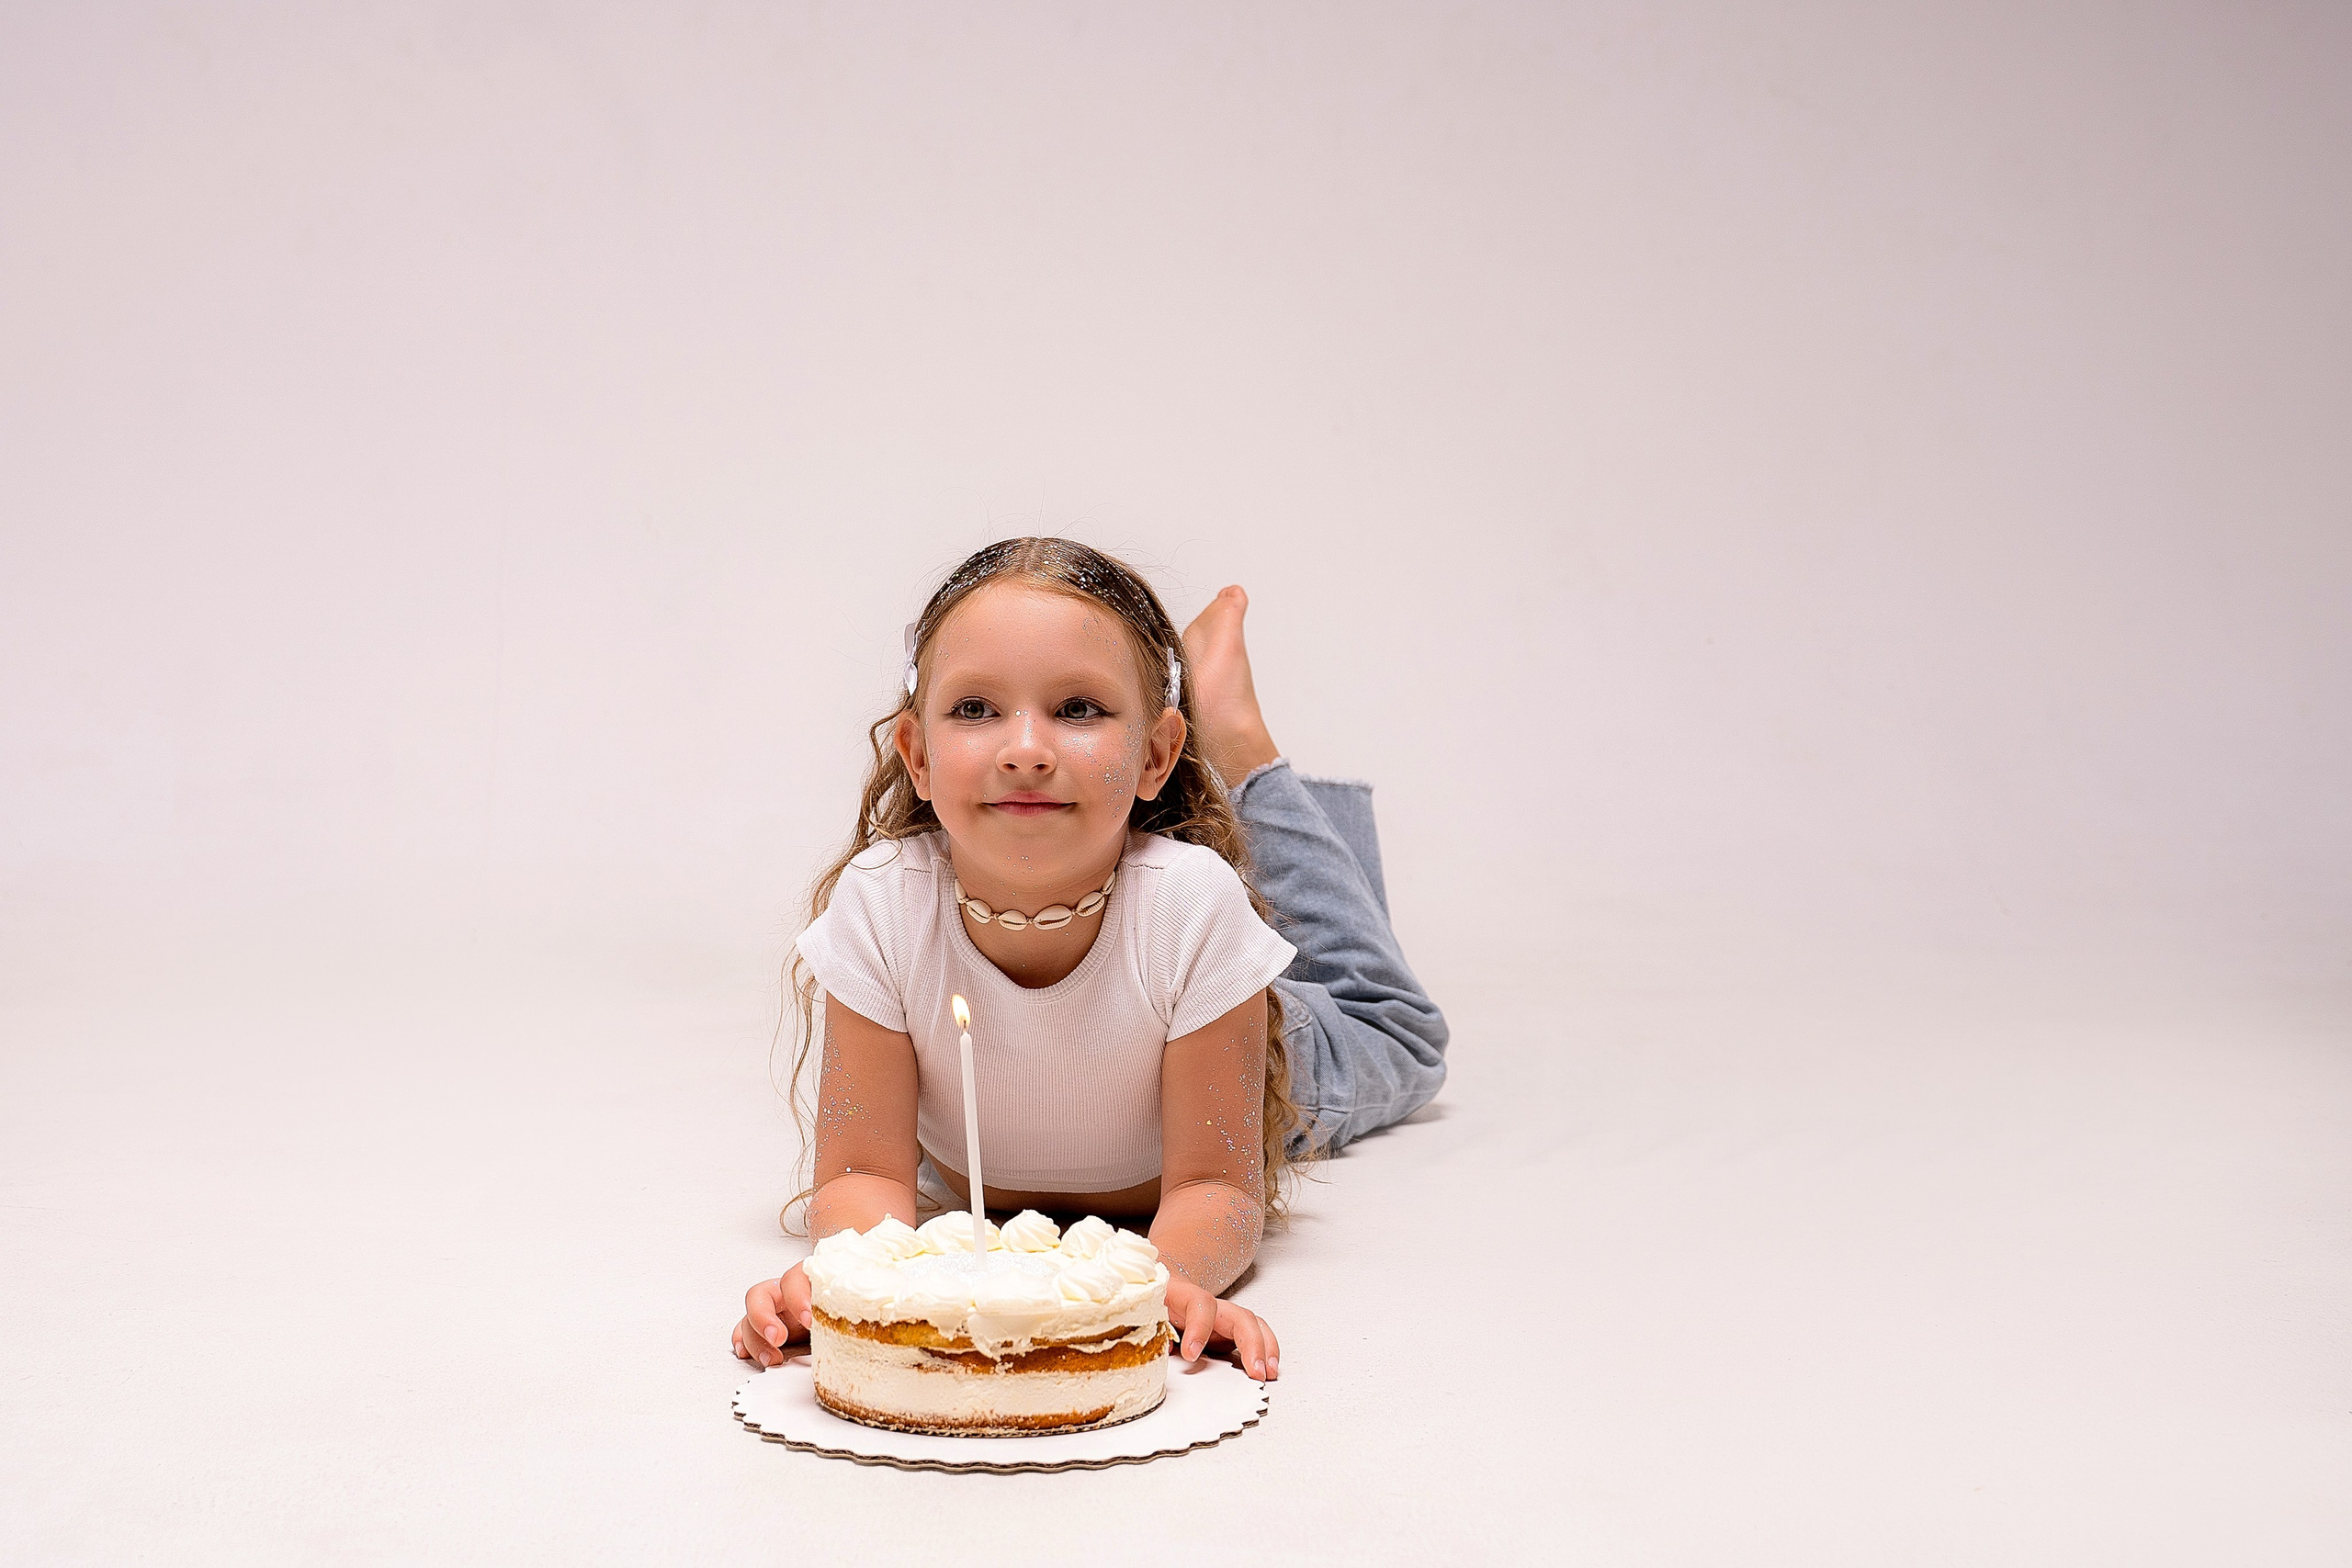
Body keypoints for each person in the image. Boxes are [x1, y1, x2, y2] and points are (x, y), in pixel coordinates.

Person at [729, 538, 1448, 1383]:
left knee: (1393, 1027)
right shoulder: (883, 902)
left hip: (1261, 1069)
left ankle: (1244, 748)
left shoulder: (1188, 902)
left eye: (1077, 708)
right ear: (915, 754)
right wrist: (845, 1282)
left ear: (1154, 754)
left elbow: (1217, 1184)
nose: (1026, 747)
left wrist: (1159, 1284)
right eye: (974, 710)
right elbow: (865, 1171)